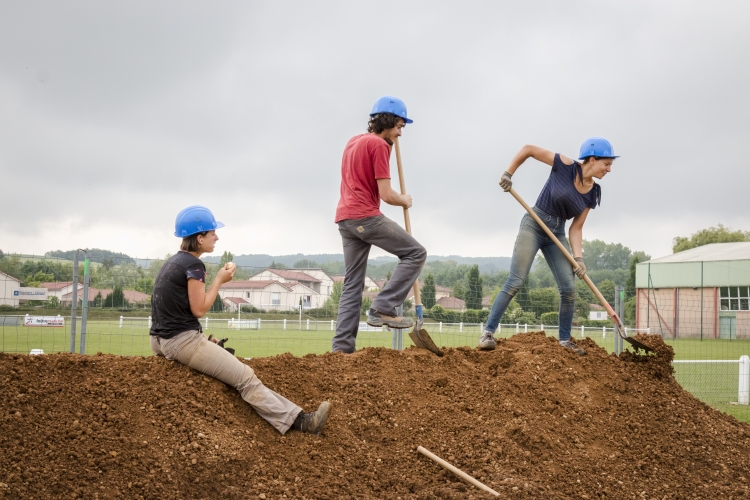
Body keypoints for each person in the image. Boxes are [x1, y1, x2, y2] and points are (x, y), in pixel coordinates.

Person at [150, 205, 331, 435]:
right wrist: (219, 280)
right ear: (199, 237)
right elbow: (199, 309)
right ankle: (301, 422)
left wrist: (204, 337)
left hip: (159, 339)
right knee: (245, 377)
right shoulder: (194, 265)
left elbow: (173, 310)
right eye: (212, 232)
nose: (216, 237)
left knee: (217, 350)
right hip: (180, 342)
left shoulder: (173, 262)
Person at [479, 137, 619, 355]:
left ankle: (564, 341)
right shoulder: (564, 165)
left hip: (558, 232)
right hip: (534, 224)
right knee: (516, 281)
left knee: (569, 288)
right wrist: (508, 174)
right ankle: (487, 333)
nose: (609, 169)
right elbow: (528, 149)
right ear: (592, 159)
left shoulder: (593, 192)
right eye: (607, 164)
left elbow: (576, 228)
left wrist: (579, 258)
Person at [332, 96, 427, 354]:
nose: (400, 133)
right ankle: (384, 307)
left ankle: (341, 350)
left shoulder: (353, 142)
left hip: (345, 218)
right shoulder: (379, 146)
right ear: (386, 121)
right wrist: (404, 200)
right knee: (416, 253)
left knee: (353, 283)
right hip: (365, 217)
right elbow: (386, 194)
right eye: (399, 126)